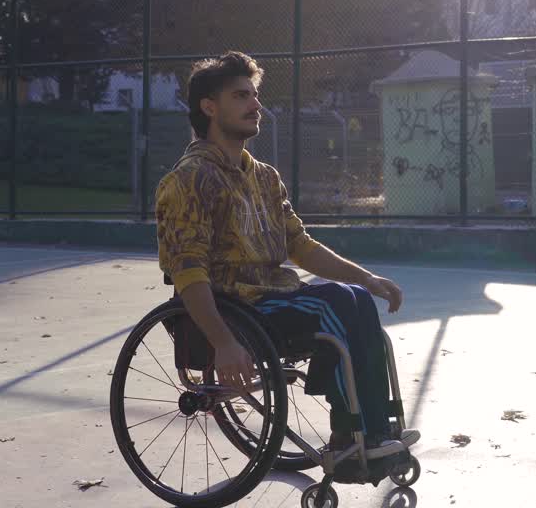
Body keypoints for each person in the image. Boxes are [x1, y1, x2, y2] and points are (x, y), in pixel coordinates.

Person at [155, 51, 417, 456]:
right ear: (209, 107)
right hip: (233, 307)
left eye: (255, 95)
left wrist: (366, 277)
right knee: (335, 306)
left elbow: (300, 245)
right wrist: (223, 342)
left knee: (357, 298)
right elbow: (187, 272)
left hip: (271, 298)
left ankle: (377, 431)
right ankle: (354, 437)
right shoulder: (189, 179)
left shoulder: (263, 177)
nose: (256, 105)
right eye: (241, 96)